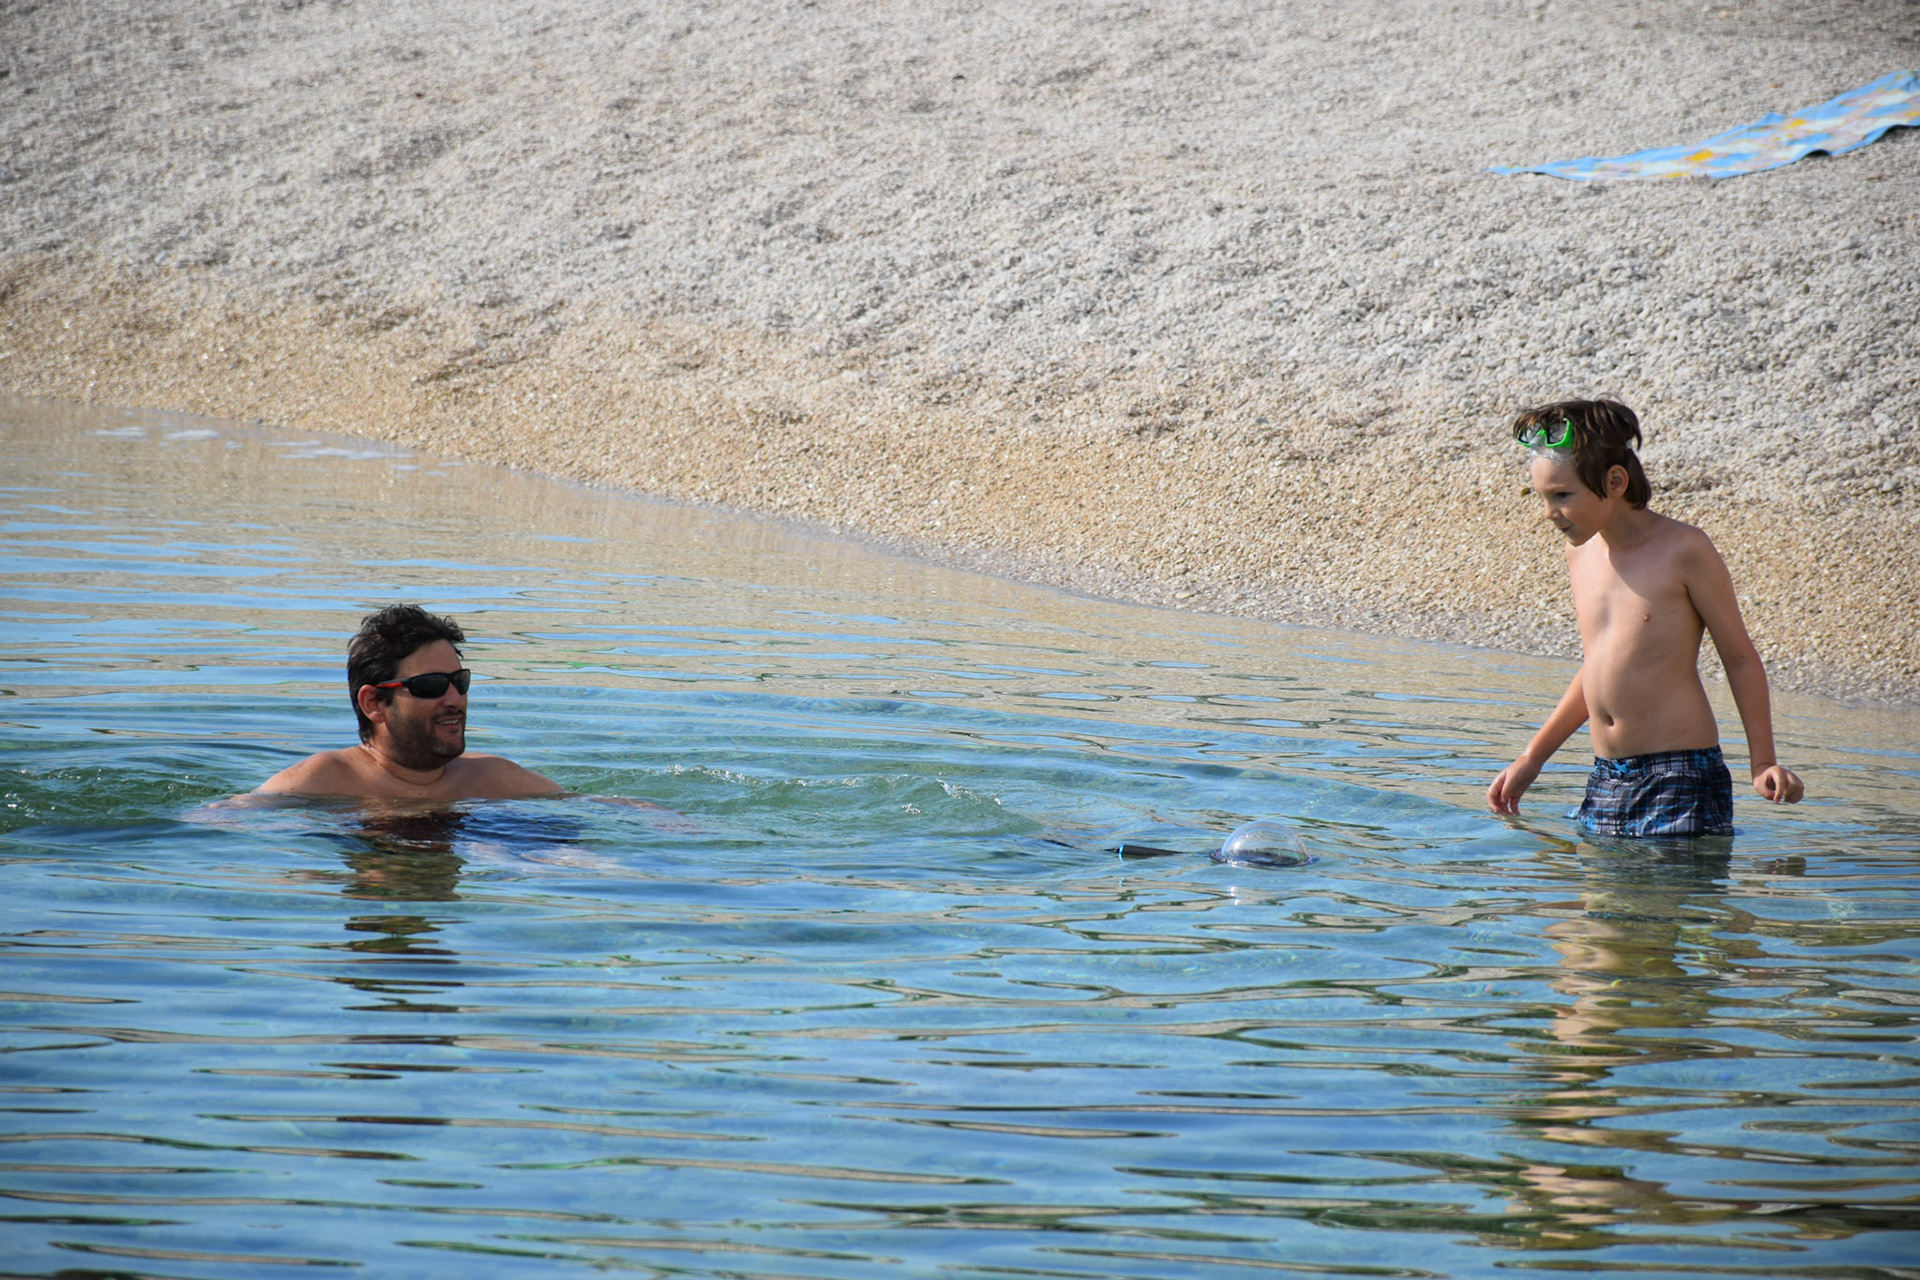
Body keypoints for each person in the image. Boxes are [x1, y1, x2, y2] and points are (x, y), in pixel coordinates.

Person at [1487, 399, 1803, 837]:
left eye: (1562, 495)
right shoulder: (1580, 554)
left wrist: (1763, 761)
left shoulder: (1683, 550)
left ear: (1615, 482)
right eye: (1541, 497)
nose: (1548, 512)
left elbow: (1740, 659)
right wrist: (1532, 758)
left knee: (1666, 884)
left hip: (1680, 775)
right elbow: (1598, 667)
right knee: (1598, 884)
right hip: (1606, 776)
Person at [256, 604, 563, 801]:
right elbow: (237, 829)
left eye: (459, 682)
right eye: (431, 685)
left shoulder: (493, 779)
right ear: (374, 703)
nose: (454, 699)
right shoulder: (320, 782)